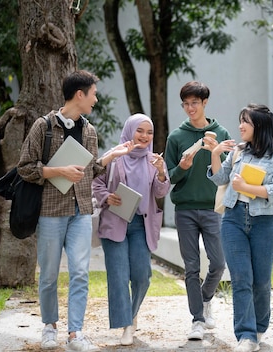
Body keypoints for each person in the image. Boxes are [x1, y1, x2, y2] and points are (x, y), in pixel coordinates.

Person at [18, 70, 136, 351]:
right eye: (93, 93)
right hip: (50, 211)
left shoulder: (89, 131)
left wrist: (111, 156)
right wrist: (58, 170)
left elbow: (92, 169)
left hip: (81, 210)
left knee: (80, 272)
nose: (96, 99)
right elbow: (24, 168)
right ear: (80, 94)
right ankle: (49, 326)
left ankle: (75, 333)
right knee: (48, 273)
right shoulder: (43, 126)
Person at [207, 104, 273, 352]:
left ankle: (259, 326)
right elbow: (221, 179)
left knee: (261, 281)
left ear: (260, 126)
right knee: (241, 279)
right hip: (233, 219)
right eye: (240, 120)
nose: (240, 126)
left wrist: (247, 187)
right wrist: (215, 154)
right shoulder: (238, 152)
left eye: (246, 122)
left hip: (263, 222)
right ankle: (246, 336)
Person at [91, 113, 170, 346]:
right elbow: (96, 182)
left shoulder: (154, 160)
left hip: (141, 225)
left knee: (142, 275)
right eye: (140, 131)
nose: (145, 136)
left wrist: (162, 172)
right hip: (115, 222)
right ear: (130, 131)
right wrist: (107, 197)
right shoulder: (114, 156)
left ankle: (131, 314)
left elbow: (160, 192)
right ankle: (126, 325)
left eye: (149, 132)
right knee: (118, 276)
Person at [164, 81, 231, 340]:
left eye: (195, 103)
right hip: (185, 209)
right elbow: (170, 177)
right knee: (191, 266)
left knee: (218, 262)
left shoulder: (221, 132)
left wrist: (218, 153)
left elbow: (226, 173)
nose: (190, 108)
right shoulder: (176, 137)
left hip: (213, 208)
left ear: (205, 103)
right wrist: (182, 166)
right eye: (186, 104)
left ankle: (205, 299)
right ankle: (197, 320)